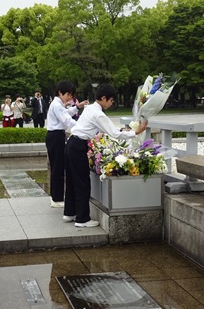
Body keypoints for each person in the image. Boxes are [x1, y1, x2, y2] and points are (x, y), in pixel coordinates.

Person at [63, 84, 147, 227]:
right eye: (111, 100)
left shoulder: (89, 108)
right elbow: (114, 133)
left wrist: (122, 130)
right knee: (83, 182)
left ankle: (70, 213)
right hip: (78, 147)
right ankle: (82, 219)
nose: (112, 103)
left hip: (72, 143)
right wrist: (136, 132)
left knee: (72, 180)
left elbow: (107, 129)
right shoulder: (98, 114)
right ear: (103, 98)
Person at [46, 80, 88, 208]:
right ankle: (56, 198)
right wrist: (84, 127)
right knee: (58, 168)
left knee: (58, 167)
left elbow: (66, 114)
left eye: (71, 95)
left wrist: (77, 107)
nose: (70, 98)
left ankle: (55, 196)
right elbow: (67, 120)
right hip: (56, 136)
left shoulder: (58, 104)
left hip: (56, 136)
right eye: (68, 95)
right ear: (60, 92)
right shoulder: (57, 105)